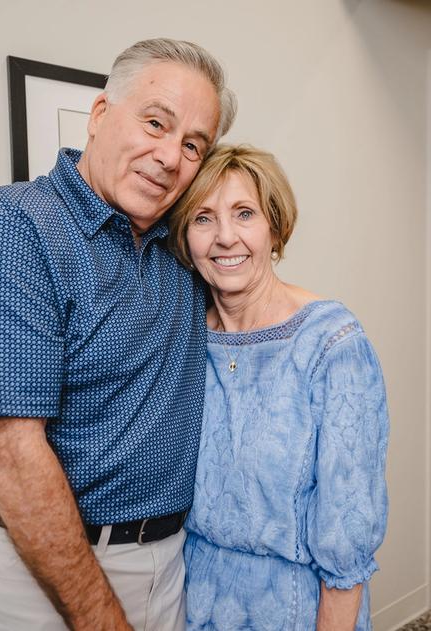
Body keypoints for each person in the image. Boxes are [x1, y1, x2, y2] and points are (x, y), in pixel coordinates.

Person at [0, 38, 236, 631]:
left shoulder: (185, 248)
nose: (169, 156)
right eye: (156, 122)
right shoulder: (13, 225)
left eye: (192, 145)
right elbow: (9, 449)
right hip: (33, 571)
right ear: (100, 115)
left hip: (168, 563)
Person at [167, 144, 389, 631]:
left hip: (293, 608)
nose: (226, 237)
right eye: (203, 218)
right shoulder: (180, 336)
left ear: (274, 227)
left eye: (244, 213)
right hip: (188, 598)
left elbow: (348, 531)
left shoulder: (332, 344)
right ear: (184, 237)